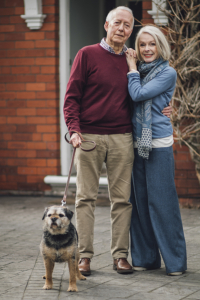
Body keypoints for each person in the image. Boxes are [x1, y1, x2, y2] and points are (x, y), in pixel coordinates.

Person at [63, 7, 171, 276]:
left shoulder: (133, 60)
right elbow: (71, 98)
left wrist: (170, 107)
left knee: (122, 200)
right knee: (85, 199)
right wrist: (74, 130)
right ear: (107, 24)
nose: (123, 29)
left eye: (128, 25)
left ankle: (120, 256)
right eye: (118, 23)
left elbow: (151, 92)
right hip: (88, 137)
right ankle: (84, 257)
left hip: (124, 137)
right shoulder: (86, 55)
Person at [125, 25, 187, 275]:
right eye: (142, 44)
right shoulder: (136, 70)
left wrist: (130, 69)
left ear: (160, 46)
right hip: (133, 142)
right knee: (138, 204)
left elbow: (138, 94)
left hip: (158, 143)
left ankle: (175, 262)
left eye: (152, 44)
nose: (147, 49)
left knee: (162, 204)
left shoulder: (167, 72)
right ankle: (145, 258)